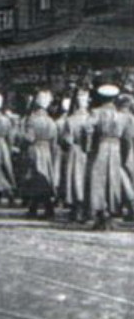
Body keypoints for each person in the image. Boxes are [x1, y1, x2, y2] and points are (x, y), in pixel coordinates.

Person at [89, 84, 134, 230]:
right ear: (115, 99)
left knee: (98, 181)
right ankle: (111, 212)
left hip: (100, 148)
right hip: (116, 150)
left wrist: (89, 148)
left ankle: (101, 214)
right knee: (113, 181)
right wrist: (125, 155)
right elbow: (128, 139)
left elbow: (88, 130)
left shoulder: (96, 113)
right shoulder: (123, 117)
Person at [20, 90, 58, 219]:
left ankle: (38, 208)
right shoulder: (51, 121)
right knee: (43, 179)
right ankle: (42, 208)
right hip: (46, 150)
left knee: (34, 179)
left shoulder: (32, 120)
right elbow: (54, 140)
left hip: (35, 149)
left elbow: (29, 138)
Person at [61, 89, 92, 222]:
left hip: (75, 151)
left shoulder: (70, 120)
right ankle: (87, 209)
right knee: (87, 181)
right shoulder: (91, 118)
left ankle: (76, 209)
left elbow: (66, 140)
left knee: (75, 180)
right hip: (89, 153)